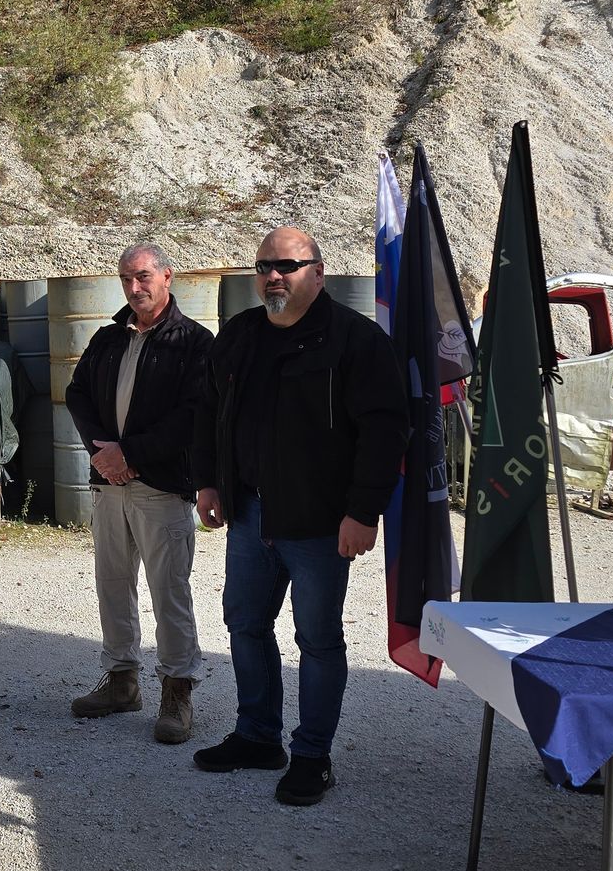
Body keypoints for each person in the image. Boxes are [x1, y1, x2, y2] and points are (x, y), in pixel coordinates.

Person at [189, 226, 406, 806]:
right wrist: (207, 481)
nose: (272, 276)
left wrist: (363, 512)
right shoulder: (239, 335)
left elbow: (385, 432)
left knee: (317, 639)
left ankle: (312, 756)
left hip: (320, 523)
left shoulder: (356, 340)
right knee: (245, 624)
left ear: (318, 271)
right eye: (264, 266)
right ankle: (258, 737)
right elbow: (208, 412)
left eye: (286, 265)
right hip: (250, 514)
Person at [63, 241, 213, 744]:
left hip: (161, 486)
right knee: (112, 583)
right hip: (109, 485)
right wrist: (102, 452)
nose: (134, 287)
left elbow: (194, 415)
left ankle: (177, 690)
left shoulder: (194, 343)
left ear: (167, 277)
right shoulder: (109, 337)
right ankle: (122, 680)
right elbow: (77, 394)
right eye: (126, 278)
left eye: (143, 276)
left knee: (169, 590)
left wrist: (131, 454)